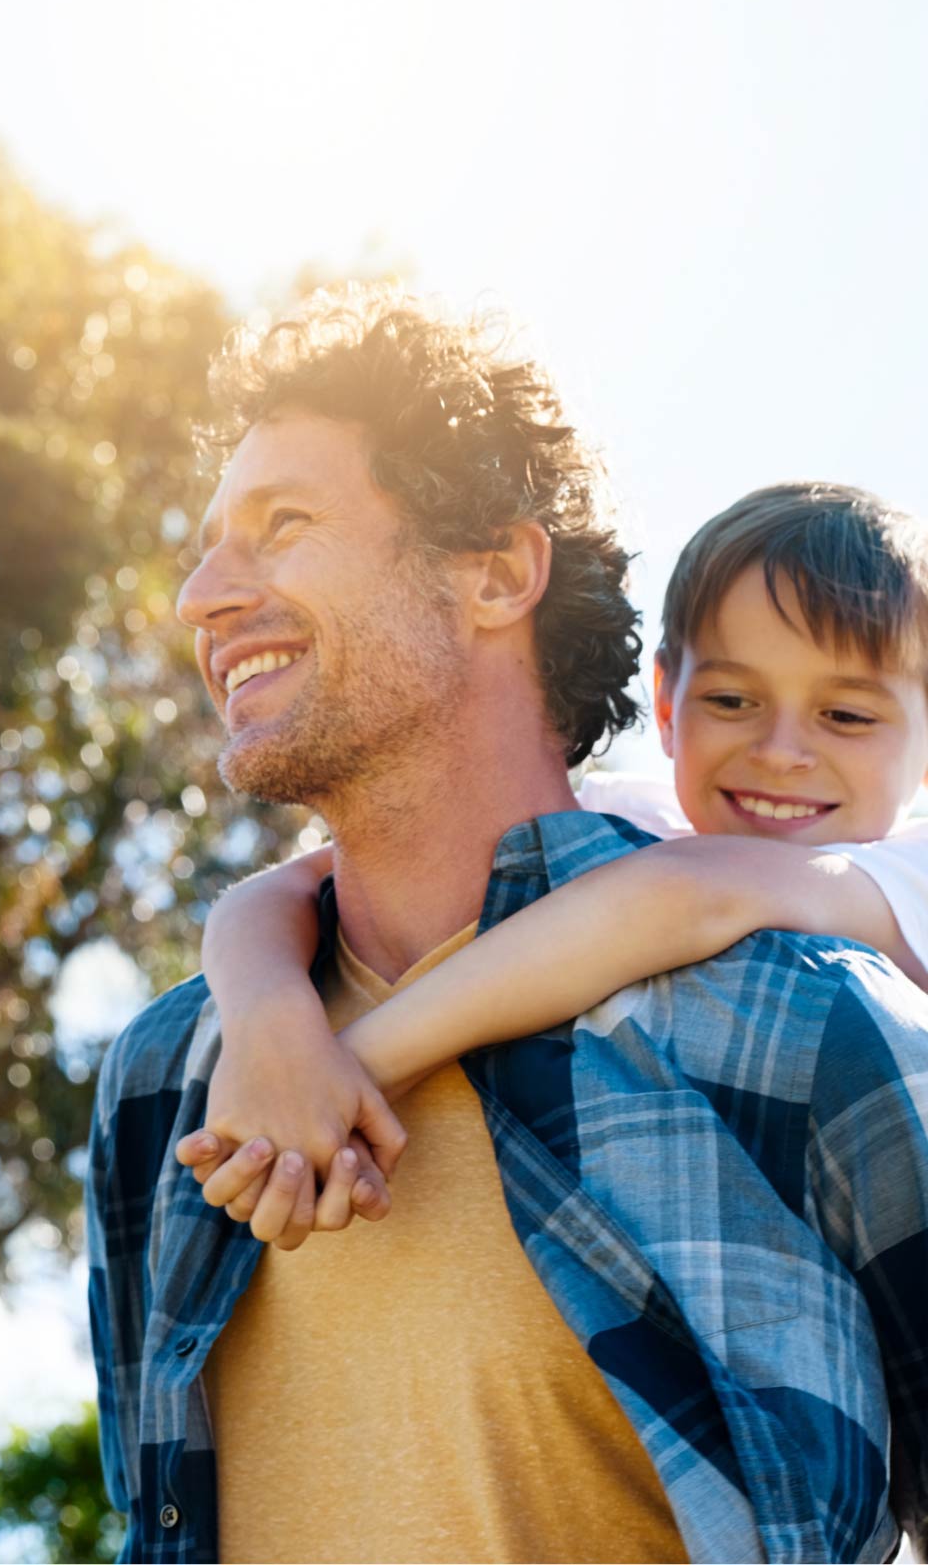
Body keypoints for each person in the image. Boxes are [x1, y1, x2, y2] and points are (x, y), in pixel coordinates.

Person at [84, 287, 928, 1564]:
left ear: (494, 573)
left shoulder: (801, 1018)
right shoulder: (169, 1081)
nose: (201, 593)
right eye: (207, 543)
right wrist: (266, 1009)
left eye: (284, 524)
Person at [180, 482, 928, 1240]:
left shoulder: (908, 873)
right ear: (666, 705)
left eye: (847, 716)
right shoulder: (641, 823)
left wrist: (354, 1070)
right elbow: (285, 888)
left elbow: (684, 895)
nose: (781, 753)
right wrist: (266, 1020)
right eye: (733, 701)